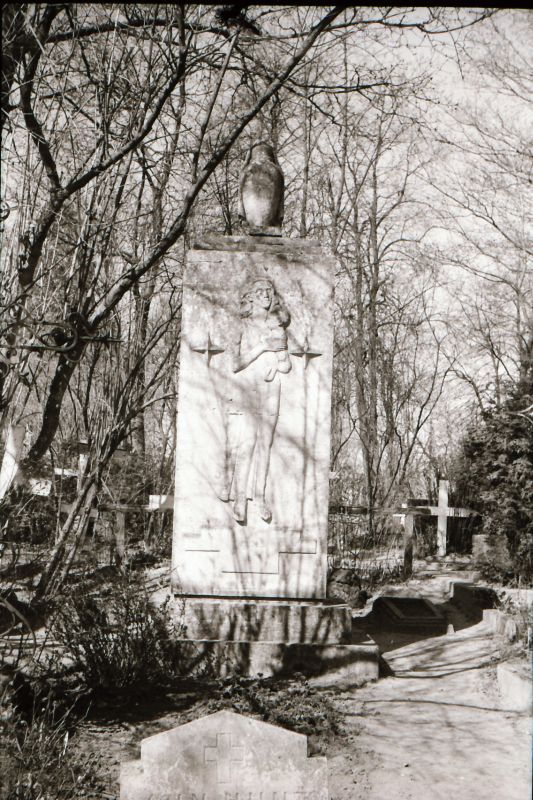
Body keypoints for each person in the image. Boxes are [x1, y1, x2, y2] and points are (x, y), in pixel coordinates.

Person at [221, 277, 291, 523]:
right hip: (249, 388)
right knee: (247, 442)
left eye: (269, 291)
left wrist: (280, 360)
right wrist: (262, 347)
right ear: (250, 296)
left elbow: (286, 365)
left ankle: (259, 496)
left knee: (265, 444)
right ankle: (240, 498)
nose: (266, 295)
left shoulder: (276, 327)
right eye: (260, 291)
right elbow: (234, 364)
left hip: (272, 388)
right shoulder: (242, 325)